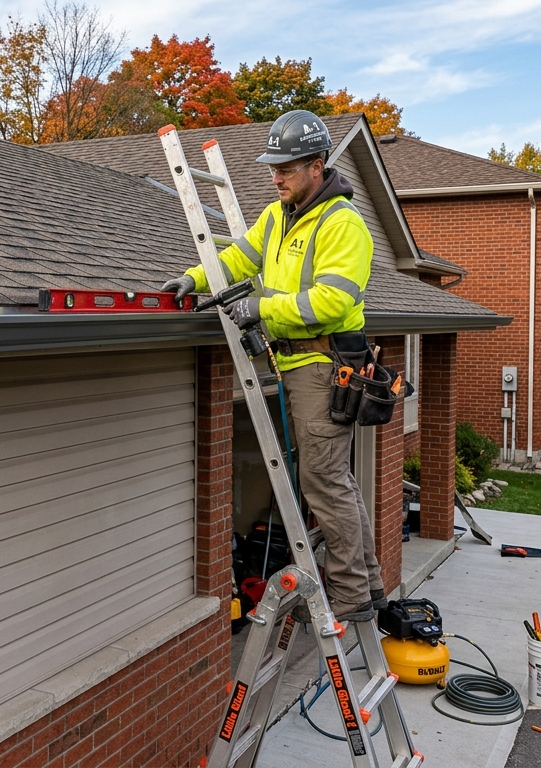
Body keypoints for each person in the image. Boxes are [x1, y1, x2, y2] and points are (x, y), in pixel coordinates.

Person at [160, 109, 386, 621]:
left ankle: (351, 598)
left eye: (286, 167)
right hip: (299, 364)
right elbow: (238, 258)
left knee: (325, 483)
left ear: (317, 165)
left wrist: (262, 308)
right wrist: (194, 279)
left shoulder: (341, 224)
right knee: (334, 483)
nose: (276, 176)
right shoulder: (278, 216)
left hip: (325, 366)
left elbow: (330, 301)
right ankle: (367, 586)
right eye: (273, 167)